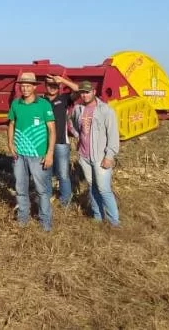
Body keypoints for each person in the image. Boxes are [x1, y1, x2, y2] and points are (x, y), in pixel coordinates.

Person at [69, 80, 121, 227]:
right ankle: (97, 217)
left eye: (87, 92)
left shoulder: (106, 110)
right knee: (92, 187)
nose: (84, 95)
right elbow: (71, 123)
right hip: (84, 156)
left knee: (104, 189)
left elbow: (113, 135)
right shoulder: (78, 109)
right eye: (82, 93)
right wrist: (76, 134)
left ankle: (114, 222)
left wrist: (109, 156)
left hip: (100, 157)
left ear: (94, 92)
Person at [7, 72, 55, 232]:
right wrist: (10, 144)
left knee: (42, 190)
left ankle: (45, 221)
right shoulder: (16, 104)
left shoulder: (43, 105)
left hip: (38, 155)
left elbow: (52, 130)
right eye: (23, 85)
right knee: (21, 188)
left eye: (28, 85)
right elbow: (11, 124)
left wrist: (49, 154)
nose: (25, 88)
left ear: (34, 87)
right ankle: (23, 218)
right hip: (19, 154)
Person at [45, 74, 79, 207]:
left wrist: (63, 80)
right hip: (45, 144)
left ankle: (65, 201)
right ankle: (46, 198)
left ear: (59, 86)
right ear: (45, 86)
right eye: (49, 85)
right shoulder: (40, 101)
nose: (52, 87)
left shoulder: (64, 99)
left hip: (61, 143)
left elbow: (78, 90)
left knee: (63, 174)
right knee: (46, 173)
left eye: (55, 85)